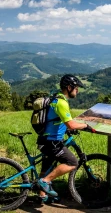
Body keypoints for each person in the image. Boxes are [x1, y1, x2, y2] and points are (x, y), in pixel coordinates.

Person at [36, 74, 95, 203]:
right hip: (53, 142)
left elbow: (59, 121)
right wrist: (85, 126)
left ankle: (42, 195)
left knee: (46, 168)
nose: (77, 90)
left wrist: (68, 128)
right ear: (69, 87)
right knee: (72, 162)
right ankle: (45, 182)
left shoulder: (56, 98)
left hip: (45, 139)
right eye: (76, 88)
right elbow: (71, 124)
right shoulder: (61, 103)